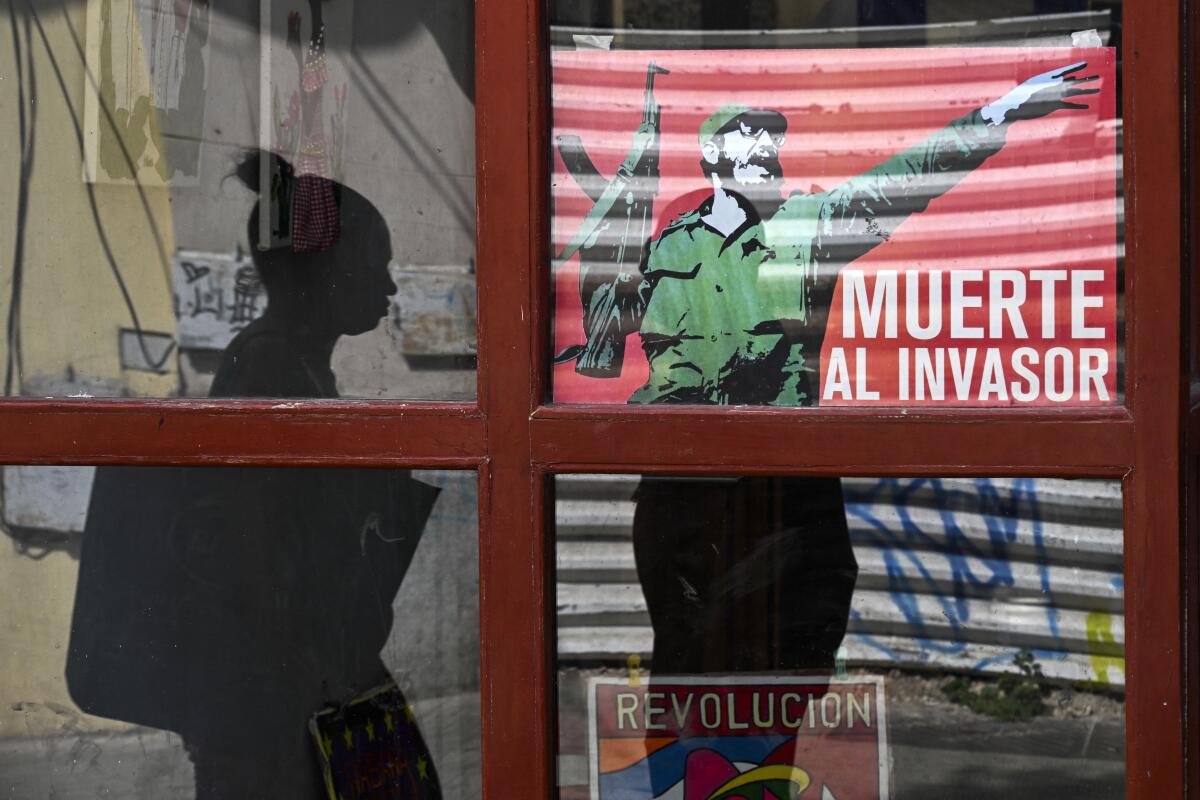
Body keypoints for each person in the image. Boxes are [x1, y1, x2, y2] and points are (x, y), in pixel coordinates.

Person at [626, 63, 1099, 678]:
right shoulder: (672, 245)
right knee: (685, 685)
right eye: (750, 135)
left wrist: (995, 115)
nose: (768, 148)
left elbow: (901, 182)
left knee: (785, 687)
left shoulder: (807, 226)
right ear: (713, 152)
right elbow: (662, 365)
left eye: (774, 138)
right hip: (686, 497)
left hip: (785, 498)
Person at [67, 151, 443, 799]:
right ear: (323, 271)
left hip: (277, 702)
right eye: (373, 266)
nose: (387, 288)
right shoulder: (270, 373)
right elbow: (267, 565)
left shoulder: (294, 370)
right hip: (267, 715)